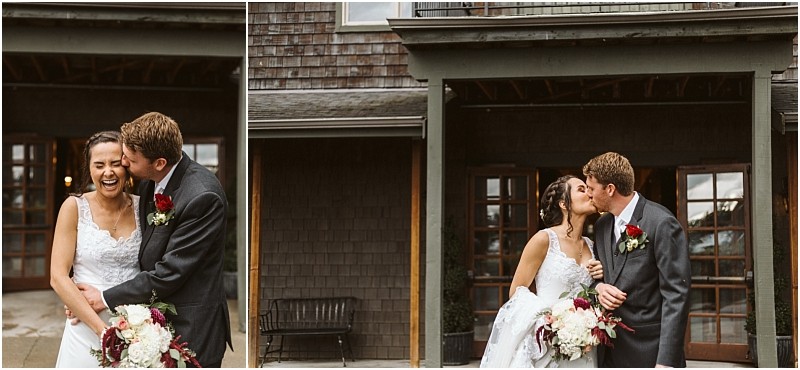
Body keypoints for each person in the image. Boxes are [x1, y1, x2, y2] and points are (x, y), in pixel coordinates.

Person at [76, 112, 232, 367]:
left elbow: (169, 272)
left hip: (193, 326)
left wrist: (103, 298)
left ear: (159, 163)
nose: (124, 162)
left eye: (130, 159)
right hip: (149, 321)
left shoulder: (203, 197)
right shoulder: (149, 183)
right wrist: (80, 299)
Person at [481, 175, 603, 368]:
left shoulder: (593, 246)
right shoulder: (544, 239)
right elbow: (516, 290)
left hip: (584, 345)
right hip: (546, 342)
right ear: (564, 203)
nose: (589, 193)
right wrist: (550, 320)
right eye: (581, 189)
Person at [583, 152, 691, 368]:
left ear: (610, 189)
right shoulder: (602, 226)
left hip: (649, 351)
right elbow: (600, 274)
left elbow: (676, 294)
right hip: (609, 350)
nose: (588, 194)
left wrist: (666, 361)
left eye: (591, 188)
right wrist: (600, 286)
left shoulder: (661, 222)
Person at [51, 131, 141, 367]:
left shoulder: (144, 208)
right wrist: (103, 332)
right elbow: (58, 277)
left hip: (137, 327)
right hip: (84, 328)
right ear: (89, 169)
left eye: (115, 164)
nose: (108, 172)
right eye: (99, 165)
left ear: (126, 165)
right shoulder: (74, 207)